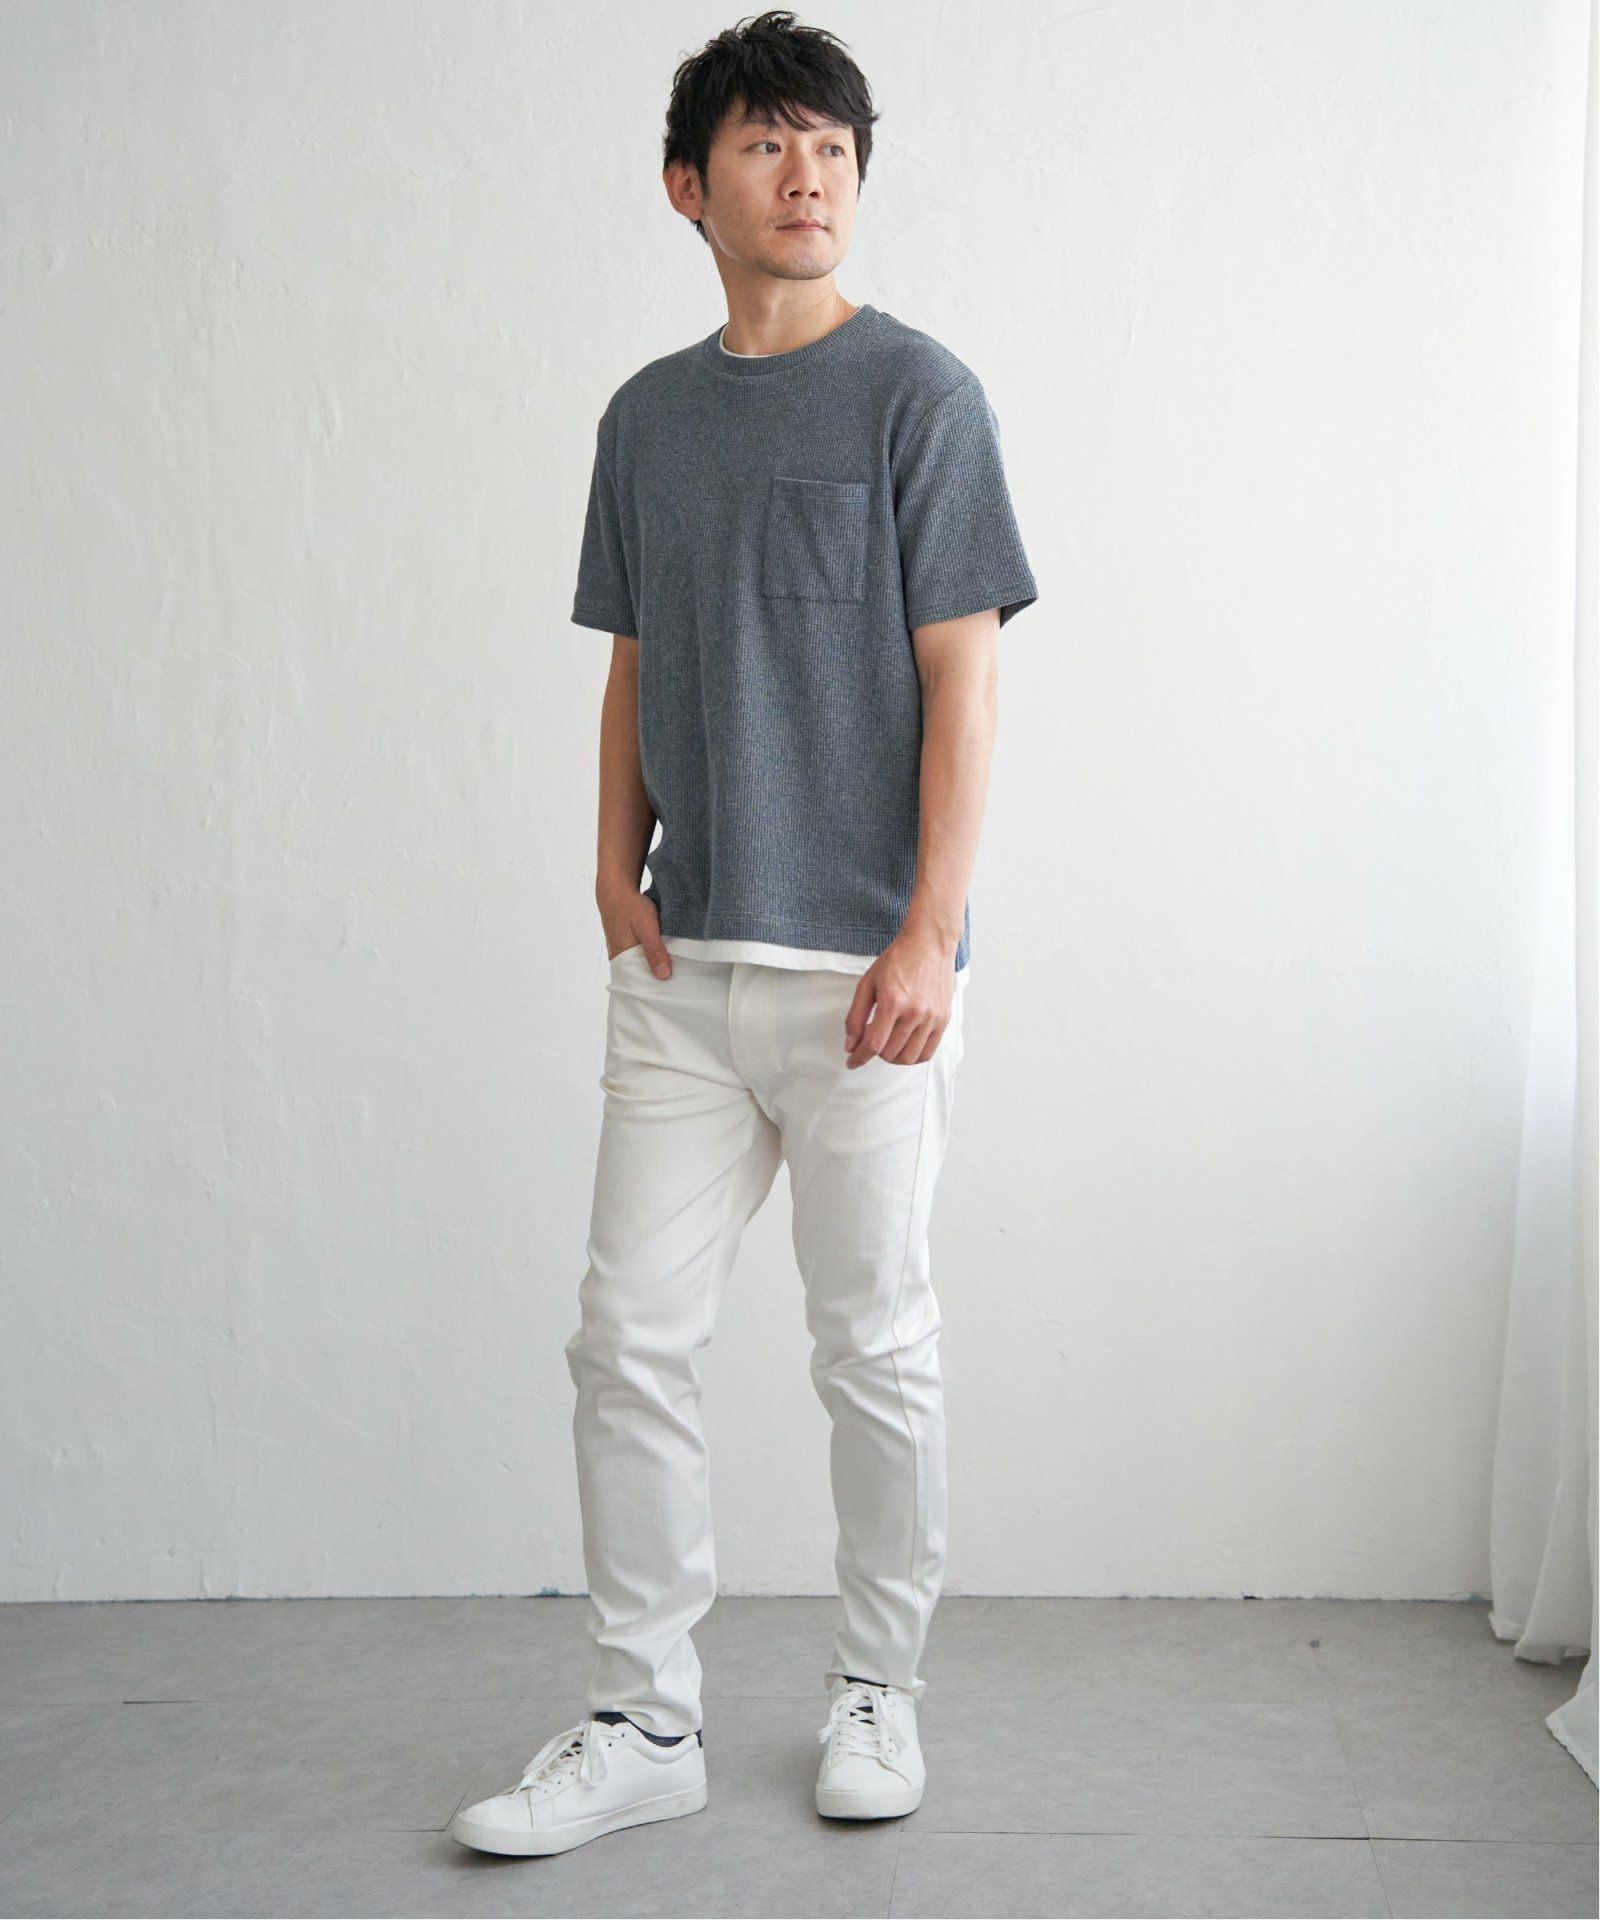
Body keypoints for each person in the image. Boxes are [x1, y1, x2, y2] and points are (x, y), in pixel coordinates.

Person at [451, 7, 1037, 1858]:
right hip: (686, 969)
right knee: (625, 1339)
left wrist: (932, 932)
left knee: (875, 1347)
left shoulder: (921, 398)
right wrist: (608, 867)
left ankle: (880, 1686)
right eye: (770, 144)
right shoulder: (645, 418)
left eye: (834, 148)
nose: (809, 176)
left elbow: (967, 682)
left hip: (867, 976)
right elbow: (634, 658)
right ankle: (645, 1718)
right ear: (686, 186)